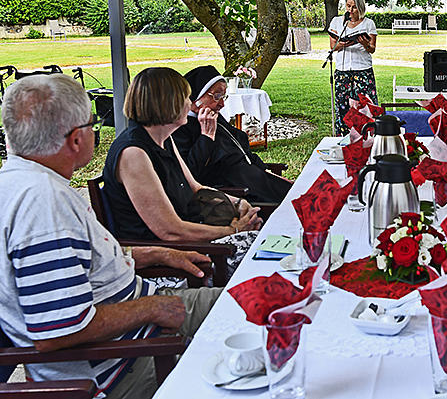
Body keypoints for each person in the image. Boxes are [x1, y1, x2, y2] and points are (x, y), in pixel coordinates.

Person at [0, 73, 220, 399]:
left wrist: (154, 254)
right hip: (121, 369)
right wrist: (151, 309)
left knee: (256, 300)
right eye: (92, 124)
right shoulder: (43, 205)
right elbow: (58, 329)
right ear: (76, 139)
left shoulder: (24, 182)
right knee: (259, 349)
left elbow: (78, 265)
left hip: (138, 331)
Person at [102, 67, 262, 259]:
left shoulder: (163, 138)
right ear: (168, 104)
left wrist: (238, 203)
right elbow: (170, 231)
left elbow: (195, 187)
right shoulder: (133, 153)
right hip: (167, 256)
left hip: (190, 238)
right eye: (186, 98)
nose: (190, 103)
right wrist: (233, 231)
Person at [172, 65, 292, 204]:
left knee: (308, 193)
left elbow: (241, 150)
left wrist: (267, 172)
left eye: (224, 96)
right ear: (196, 98)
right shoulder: (180, 128)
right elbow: (191, 173)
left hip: (255, 178)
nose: (222, 104)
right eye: (217, 96)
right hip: (239, 192)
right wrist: (206, 137)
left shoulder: (214, 117)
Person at [328, 0, 378, 135]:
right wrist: (345, 44)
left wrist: (364, 44)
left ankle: (367, 136)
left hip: (362, 69)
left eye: (354, 7)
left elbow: (372, 49)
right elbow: (333, 46)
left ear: (360, 8)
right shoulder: (337, 22)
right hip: (342, 71)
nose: (350, 10)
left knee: (365, 106)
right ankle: (343, 136)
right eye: (348, 6)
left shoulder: (368, 24)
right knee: (343, 106)